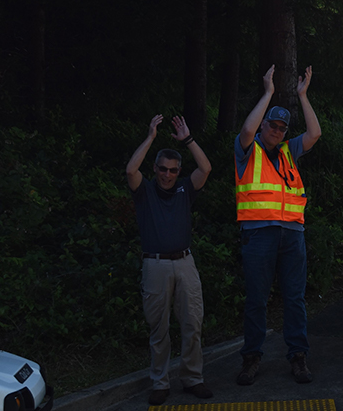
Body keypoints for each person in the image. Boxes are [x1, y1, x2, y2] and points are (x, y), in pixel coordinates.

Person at [235, 64, 321, 386]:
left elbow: (314, 134)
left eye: (282, 128)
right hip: (258, 234)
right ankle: (251, 358)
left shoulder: (289, 151)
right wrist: (268, 92)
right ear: (264, 125)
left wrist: (302, 95)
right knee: (257, 298)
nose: (277, 131)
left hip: (293, 234)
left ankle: (298, 357)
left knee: (295, 298)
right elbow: (246, 130)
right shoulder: (247, 149)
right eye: (273, 125)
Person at [126, 114, 214, 406]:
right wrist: (151, 137)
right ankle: (160, 382)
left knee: (192, 322)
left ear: (178, 172)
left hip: (185, 262)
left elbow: (206, 168)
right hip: (155, 265)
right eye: (162, 169)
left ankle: (192, 378)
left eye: (172, 170)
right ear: (155, 168)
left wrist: (187, 139)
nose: (167, 175)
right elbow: (130, 170)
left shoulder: (184, 189)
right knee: (158, 328)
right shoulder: (145, 191)